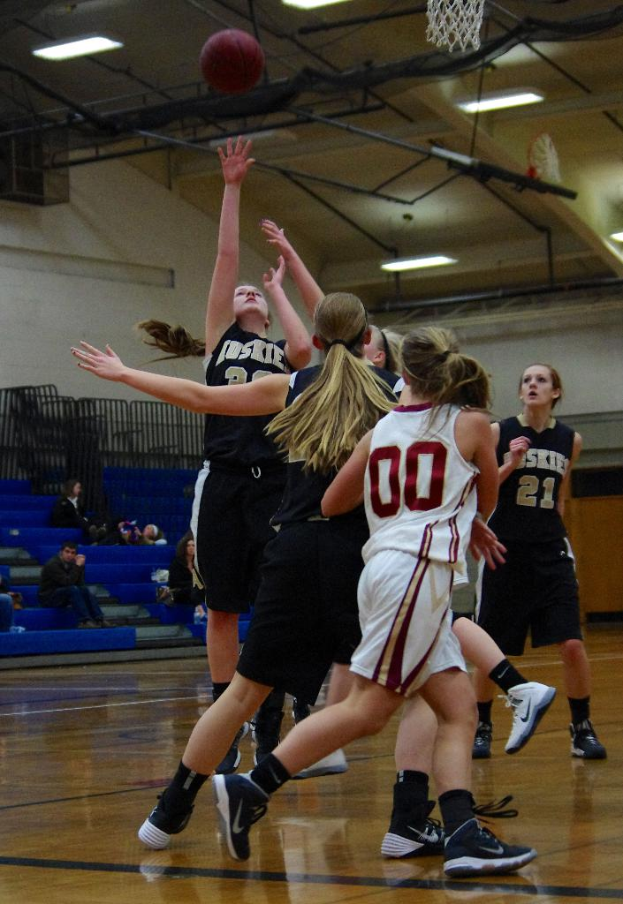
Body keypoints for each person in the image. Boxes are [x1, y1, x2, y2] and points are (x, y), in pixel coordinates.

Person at [71, 291, 402, 849]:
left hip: (293, 548)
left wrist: (126, 374)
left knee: (242, 693)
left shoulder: (292, 385)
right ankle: (411, 815)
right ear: (369, 339)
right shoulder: (395, 394)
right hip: (361, 555)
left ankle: (169, 809)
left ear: (314, 343)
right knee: (412, 687)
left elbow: (200, 395)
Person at [207, 325, 537, 878]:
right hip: (417, 572)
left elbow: (334, 501)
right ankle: (250, 788)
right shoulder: (474, 423)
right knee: (367, 711)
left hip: (382, 566)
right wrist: (460, 515)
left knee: (455, 709)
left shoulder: (381, 428)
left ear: (401, 375)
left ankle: (459, 832)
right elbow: (487, 496)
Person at [134, 137, 313, 774]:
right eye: (238, 293)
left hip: (277, 483)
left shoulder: (284, 353)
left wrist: (280, 284)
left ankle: (267, 715)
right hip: (223, 479)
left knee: (274, 603)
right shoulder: (217, 345)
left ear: (267, 305)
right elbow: (225, 253)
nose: (242, 292)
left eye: (253, 293)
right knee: (222, 607)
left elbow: (308, 345)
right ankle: (224, 716)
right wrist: (232, 187)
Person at [471, 363, 607, 760]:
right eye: (526, 380)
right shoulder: (499, 433)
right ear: (520, 393)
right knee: (491, 646)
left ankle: (581, 728)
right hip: (504, 550)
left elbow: (560, 497)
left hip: (550, 551)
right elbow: (480, 489)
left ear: (555, 392)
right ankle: (483, 725)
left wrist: (557, 538)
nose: (532, 385)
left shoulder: (570, 439)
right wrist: (510, 463)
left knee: (572, 644)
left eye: (541, 380)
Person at [38, 541, 113, 628]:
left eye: (72, 553)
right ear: (61, 552)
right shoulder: (52, 564)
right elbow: (67, 582)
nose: (69, 555)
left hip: (64, 595)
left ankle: (99, 619)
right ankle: (84, 621)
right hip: (48, 597)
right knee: (72, 589)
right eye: (67, 551)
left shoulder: (72, 564)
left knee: (83, 589)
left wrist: (81, 567)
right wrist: (77, 566)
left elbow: (80, 584)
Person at [50, 478, 107, 542]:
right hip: (67, 521)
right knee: (78, 518)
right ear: (71, 488)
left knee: (92, 518)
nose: (80, 490)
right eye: (78, 488)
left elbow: (82, 514)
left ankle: (100, 529)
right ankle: (90, 530)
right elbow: (58, 517)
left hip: (78, 520)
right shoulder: (62, 501)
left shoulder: (78, 501)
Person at [157, 531, 204, 607]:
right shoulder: (177, 563)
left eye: (193, 545)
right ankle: (200, 611)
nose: (191, 548)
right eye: (188, 546)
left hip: (192, 592)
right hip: (178, 591)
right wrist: (192, 584)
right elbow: (174, 582)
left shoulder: (197, 563)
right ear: (184, 548)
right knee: (194, 589)